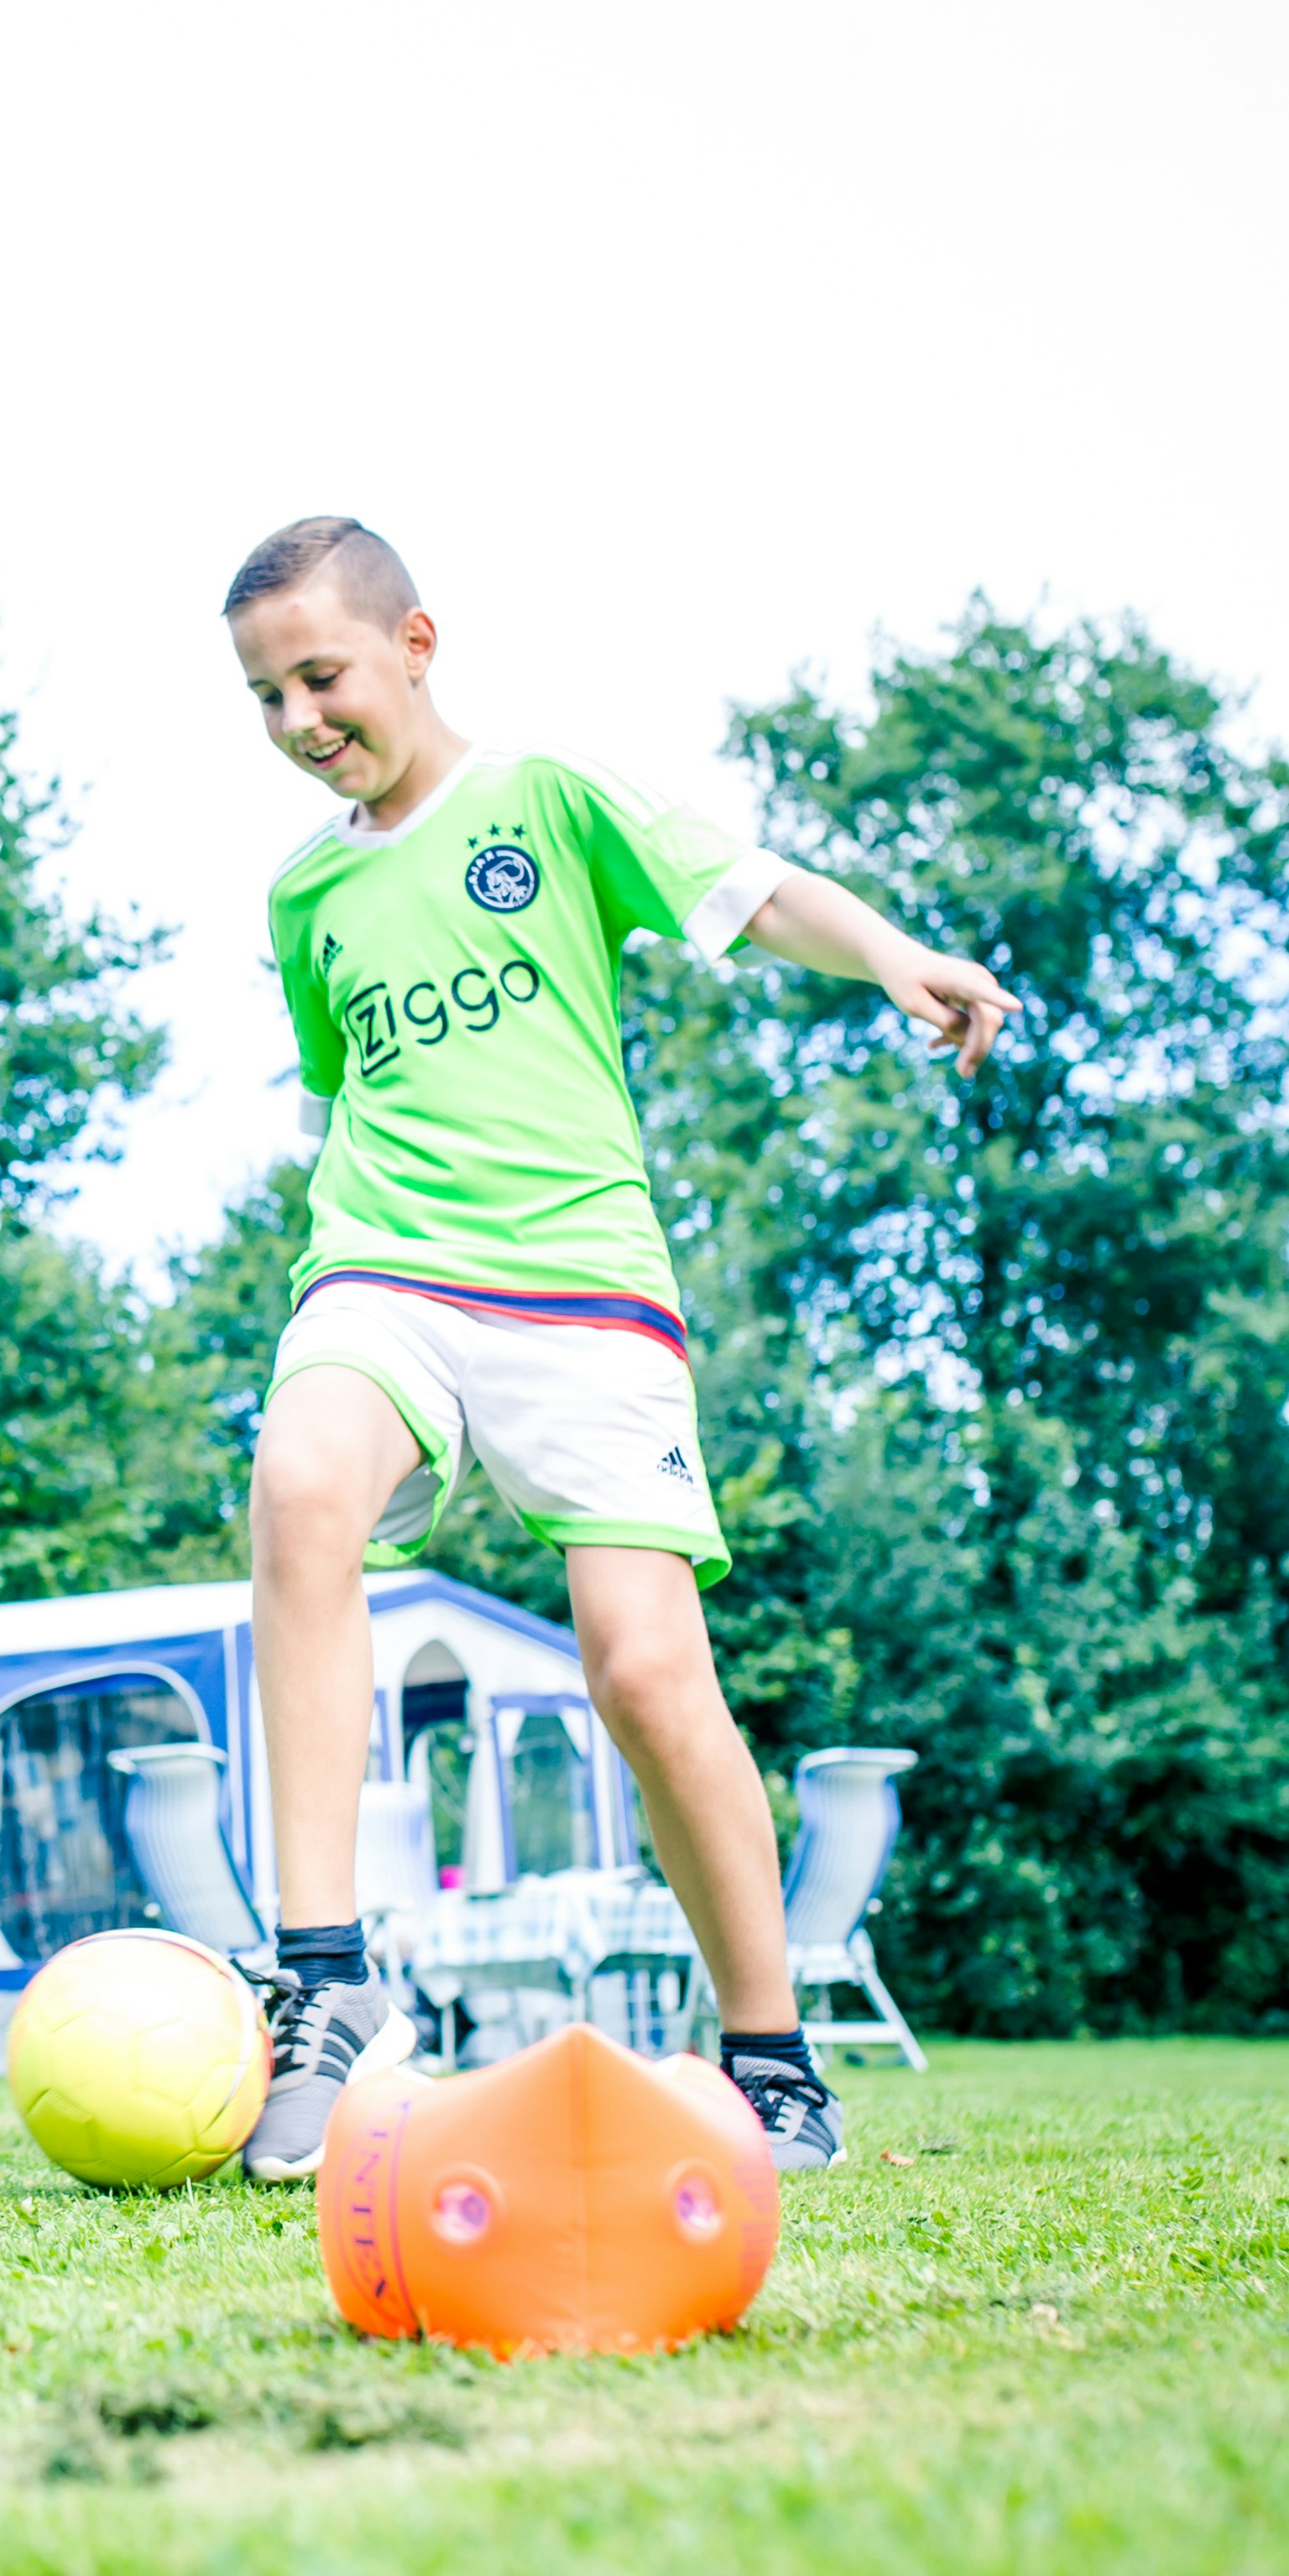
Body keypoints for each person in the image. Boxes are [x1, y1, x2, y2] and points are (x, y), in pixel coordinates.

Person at [221, 518, 1017, 2177]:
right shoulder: (305, 889)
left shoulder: (548, 800)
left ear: (416, 642)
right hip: (383, 1263)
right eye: (265, 696)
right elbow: (337, 1093)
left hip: (582, 1289)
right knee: (297, 1483)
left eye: (321, 676)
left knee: (645, 1669)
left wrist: (893, 954)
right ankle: (326, 1981)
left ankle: (773, 2056)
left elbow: (757, 893)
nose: (297, 719)